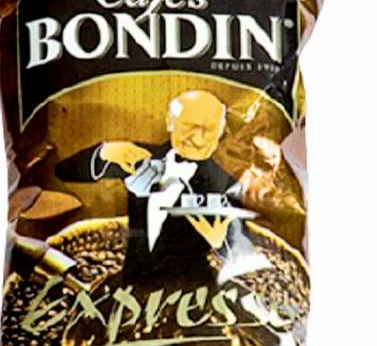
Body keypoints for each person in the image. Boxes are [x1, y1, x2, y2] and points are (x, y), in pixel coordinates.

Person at [55, 90, 242, 287]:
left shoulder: (227, 186)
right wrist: (105, 152)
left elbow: (243, 252)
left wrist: (219, 244)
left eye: (209, 129)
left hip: (193, 293)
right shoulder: (138, 157)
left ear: (220, 132)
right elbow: (64, 171)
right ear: (170, 121)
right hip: (132, 284)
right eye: (189, 126)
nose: (198, 138)